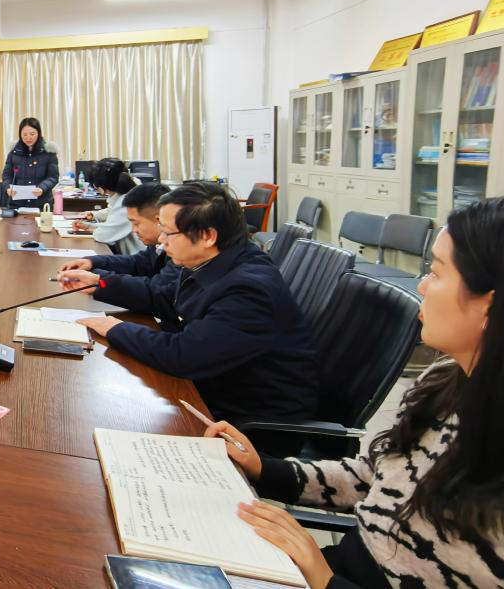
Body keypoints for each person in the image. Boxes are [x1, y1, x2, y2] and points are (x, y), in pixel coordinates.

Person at [206, 196, 504, 589]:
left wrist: (323, 577)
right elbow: (375, 477)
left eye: (436, 273)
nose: (422, 285)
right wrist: (264, 468)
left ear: (490, 306)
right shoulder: (446, 380)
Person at [57, 181, 317, 456]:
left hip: (249, 426)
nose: (161, 240)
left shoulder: (248, 289)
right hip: (213, 392)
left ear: (207, 236)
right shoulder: (211, 262)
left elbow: (184, 355)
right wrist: (100, 283)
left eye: (169, 232)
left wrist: (115, 329)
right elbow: (162, 297)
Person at [59, 182, 173, 280]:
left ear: (159, 219)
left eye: (136, 223)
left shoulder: (177, 253)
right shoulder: (157, 246)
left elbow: (155, 289)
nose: (133, 230)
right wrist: (92, 262)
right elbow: (137, 262)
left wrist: (99, 280)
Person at [73, 158, 141, 254]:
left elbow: (104, 235)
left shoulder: (126, 202)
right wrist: (89, 226)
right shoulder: (129, 192)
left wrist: (89, 228)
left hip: (138, 258)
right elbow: (113, 225)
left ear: (100, 188)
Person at [2, 117, 59, 209]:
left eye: (32, 134)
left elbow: (53, 177)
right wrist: (8, 188)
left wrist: (42, 188)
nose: (28, 138)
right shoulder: (13, 153)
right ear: (20, 135)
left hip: (41, 204)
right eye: (24, 134)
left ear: (38, 133)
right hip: (17, 204)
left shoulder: (48, 152)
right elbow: (7, 176)